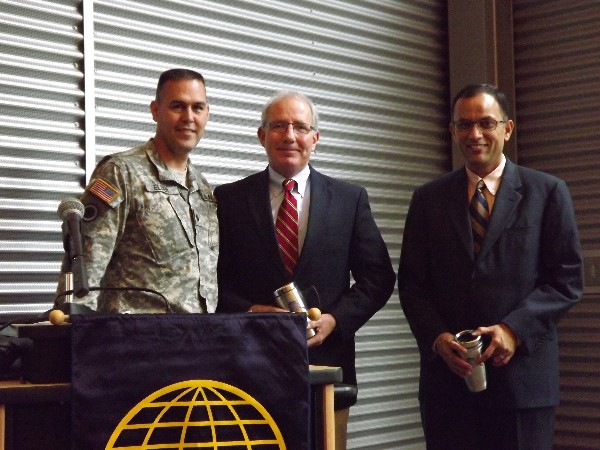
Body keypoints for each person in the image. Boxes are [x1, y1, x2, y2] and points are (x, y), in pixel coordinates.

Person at [398, 83, 583, 449]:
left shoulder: (546, 192)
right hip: (447, 386)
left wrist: (513, 330)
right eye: (464, 125)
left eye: (486, 123)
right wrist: (437, 339)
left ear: (507, 129)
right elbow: (412, 285)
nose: (475, 134)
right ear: (453, 132)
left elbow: (566, 280)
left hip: (522, 383)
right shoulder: (428, 199)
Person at [215, 91, 396, 448]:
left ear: (315, 138)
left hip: (326, 367)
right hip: (248, 365)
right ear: (261, 135)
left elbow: (378, 277)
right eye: (278, 126)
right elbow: (209, 282)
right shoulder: (228, 200)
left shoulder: (349, 199)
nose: (290, 136)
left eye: (300, 127)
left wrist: (335, 320)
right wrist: (251, 312)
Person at [56, 68, 218, 314]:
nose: (188, 117)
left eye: (197, 108)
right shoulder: (121, 173)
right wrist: (75, 334)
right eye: (177, 106)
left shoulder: (203, 189)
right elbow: (85, 270)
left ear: (207, 114)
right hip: (135, 343)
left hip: (197, 342)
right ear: (155, 110)